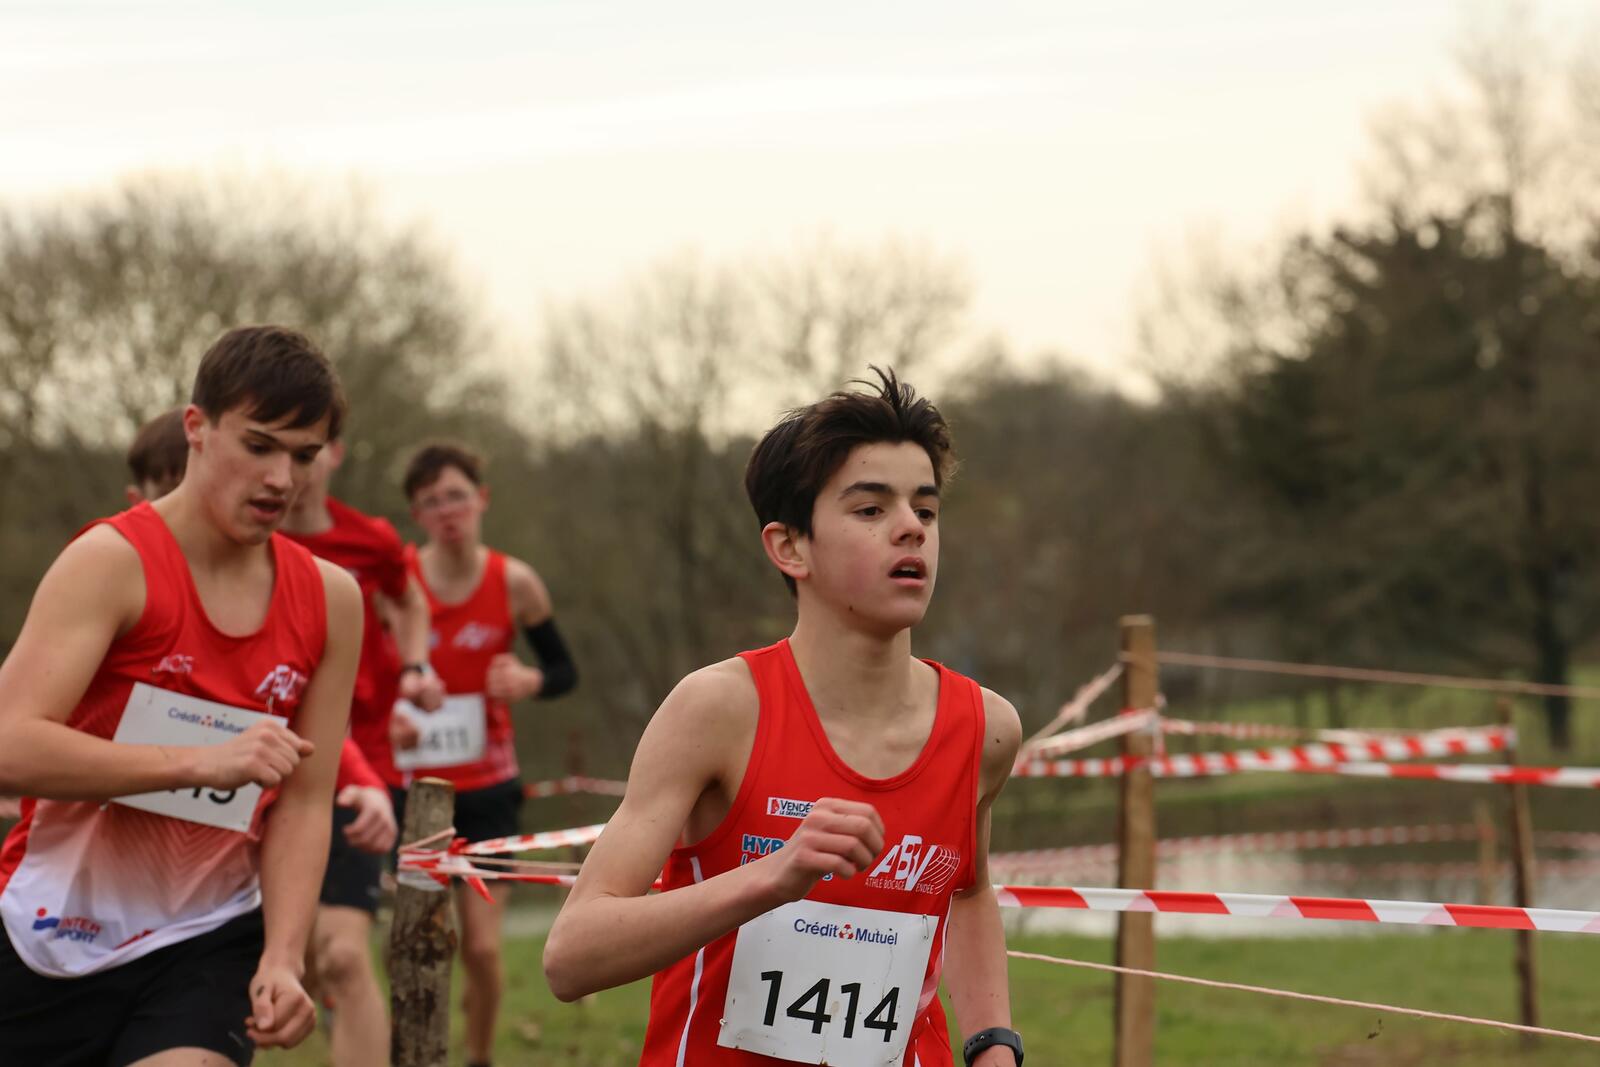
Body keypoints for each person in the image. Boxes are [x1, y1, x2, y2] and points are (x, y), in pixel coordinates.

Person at [543, 370, 1024, 1067]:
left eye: (926, 508)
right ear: (790, 547)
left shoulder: (986, 727)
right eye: (871, 509)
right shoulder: (717, 710)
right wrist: (773, 876)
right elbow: (571, 956)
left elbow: (969, 891)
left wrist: (992, 1042)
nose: (911, 528)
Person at [0, 325, 363, 1066]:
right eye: (258, 445)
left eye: (304, 454)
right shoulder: (110, 562)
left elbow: (303, 800)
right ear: (197, 427)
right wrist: (198, 762)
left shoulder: (332, 599)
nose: (281, 479)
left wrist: (283, 957)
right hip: (47, 932)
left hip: (207, 938)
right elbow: (9, 744)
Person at [391, 441, 578, 1067]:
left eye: (457, 496)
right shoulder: (398, 585)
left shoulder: (514, 582)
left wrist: (528, 680)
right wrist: (391, 716)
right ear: (417, 514)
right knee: (418, 944)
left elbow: (564, 671)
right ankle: (418, 1052)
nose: (447, 511)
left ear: (482, 500)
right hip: (413, 789)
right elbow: (363, 680)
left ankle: (478, 1056)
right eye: (431, 501)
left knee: (482, 948)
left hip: (490, 787)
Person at [279, 431, 445, 1067]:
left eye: (310, 449)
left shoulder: (369, 539)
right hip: (264, 763)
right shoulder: (246, 540)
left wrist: (414, 666)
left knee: (344, 955)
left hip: (361, 765)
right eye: (276, 446)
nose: (295, 467)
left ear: (337, 453)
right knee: (294, 960)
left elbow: (410, 600)